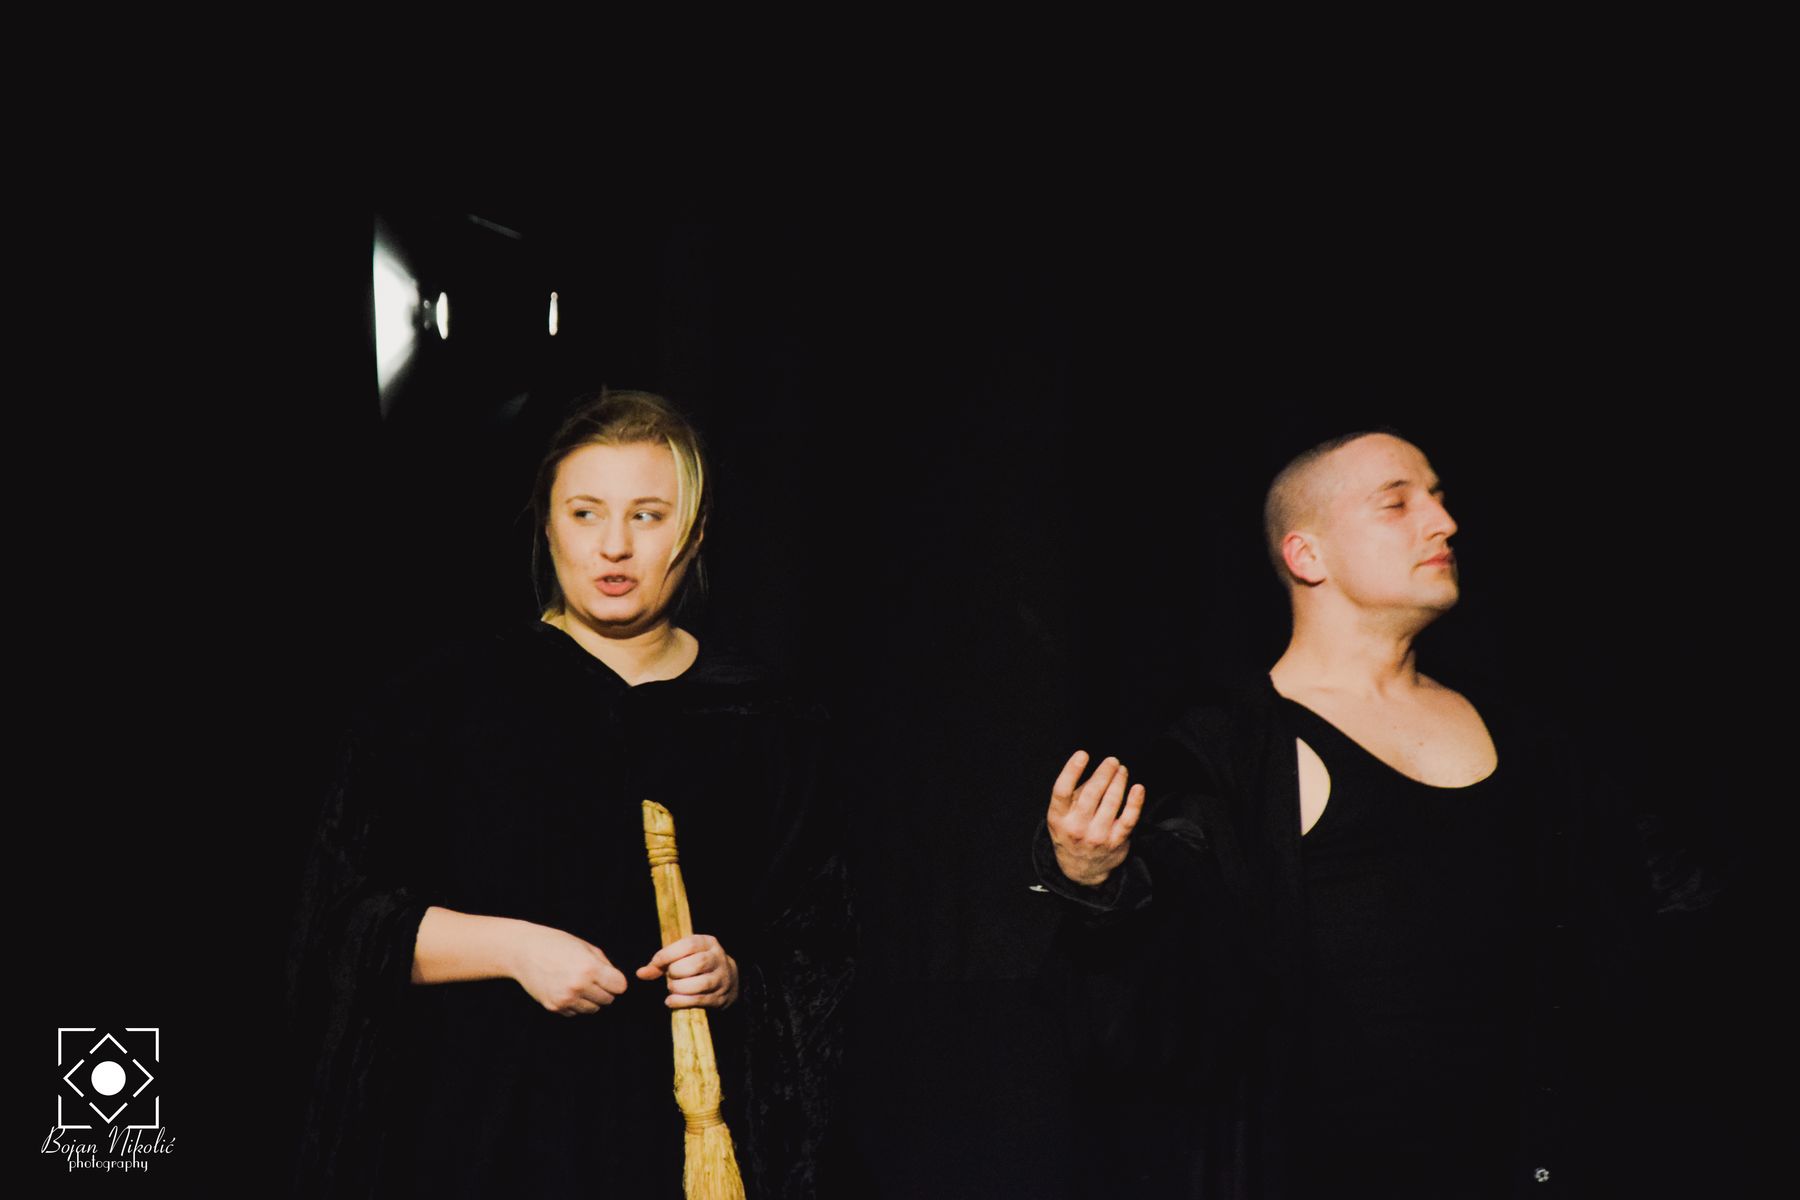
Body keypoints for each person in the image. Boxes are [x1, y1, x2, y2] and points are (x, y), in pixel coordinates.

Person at [1034, 430, 1660, 1198]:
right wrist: (1093, 880)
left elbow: (1610, 956)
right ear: (1307, 556)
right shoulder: (1230, 753)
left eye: (1439, 498)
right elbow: (1158, 996)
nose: (1444, 522)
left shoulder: (1533, 742)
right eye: (1397, 503)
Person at [285, 389, 853, 1198]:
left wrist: (734, 976)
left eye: (648, 516)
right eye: (585, 514)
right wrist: (515, 949)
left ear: (693, 534)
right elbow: (338, 925)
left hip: (676, 1147)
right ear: (547, 527)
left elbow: (816, 953)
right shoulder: (443, 705)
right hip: (481, 1140)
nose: (614, 546)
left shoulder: (769, 724)